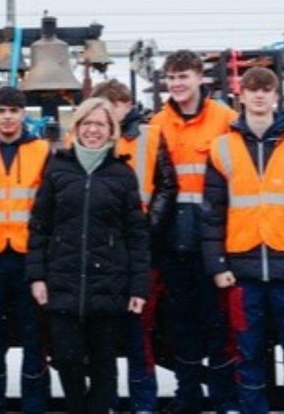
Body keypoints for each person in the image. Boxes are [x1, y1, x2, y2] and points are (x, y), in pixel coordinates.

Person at [202, 66, 284, 414]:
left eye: (266, 89)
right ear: (240, 96)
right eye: (252, 89)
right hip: (241, 273)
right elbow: (212, 213)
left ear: (277, 96)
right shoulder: (222, 148)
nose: (259, 95)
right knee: (247, 357)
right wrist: (216, 265)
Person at [27, 97, 151, 414]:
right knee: (66, 358)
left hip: (108, 283)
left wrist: (138, 287)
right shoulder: (58, 169)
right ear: (77, 127)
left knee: (103, 364)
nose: (93, 130)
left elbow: (136, 234)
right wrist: (37, 276)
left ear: (111, 131)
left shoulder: (122, 174)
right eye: (87, 123)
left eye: (100, 124)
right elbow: (39, 226)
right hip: (63, 280)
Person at [148, 50, 238, 414]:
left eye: (183, 76)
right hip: (173, 240)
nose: (177, 84)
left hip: (216, 237)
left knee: (218, 322)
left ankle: (223, 398)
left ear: (201, 78)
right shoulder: (156, 125)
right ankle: (188, 397)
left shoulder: (226, 120)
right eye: (171, 78)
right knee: (181, 323)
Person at [90, 79, 176, 414]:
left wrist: (146, 227)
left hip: (142, 253)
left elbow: (167, 187)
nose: (108, 115)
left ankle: (144, 405)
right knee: (105, 340)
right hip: (102, 255)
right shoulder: (87, 139)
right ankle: (108, 403)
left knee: (140, 336)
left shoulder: (151, 137)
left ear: (127, 106)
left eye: (115, 106)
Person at [0, 85, 52, 414]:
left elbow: (47, 209)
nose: (7, 118)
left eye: (13, 111)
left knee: (34, 336)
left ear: (23, 114)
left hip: (27, 258)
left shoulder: (42, 151)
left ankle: (35, 405)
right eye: (1, 111)